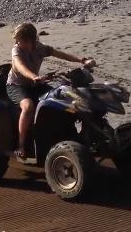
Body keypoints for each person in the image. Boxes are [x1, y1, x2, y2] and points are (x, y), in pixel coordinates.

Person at [6, 23, 95, 161]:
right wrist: (34, 76)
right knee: (28, 106)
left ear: (30, 40)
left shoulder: (40, 48)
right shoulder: (16, 51)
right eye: (17, 40)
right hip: (17, 86)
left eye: (20, 40)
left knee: (62, 97)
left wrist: (81, 60)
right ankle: (21, 145)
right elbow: (20, 67)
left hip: (35, 84)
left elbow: (59, 54)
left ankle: (67, 133)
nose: (17, 43)